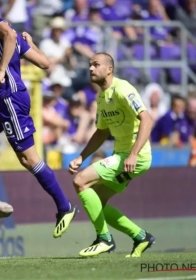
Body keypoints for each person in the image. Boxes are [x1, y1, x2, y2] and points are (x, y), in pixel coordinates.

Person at [0, 10, 77, 238]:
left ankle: (64, 207)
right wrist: (32, 44)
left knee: (28, 158)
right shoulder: (9, 39)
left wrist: (0, 70)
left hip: (9, 97)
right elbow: (44, 62)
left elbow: (8, 32)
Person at [69, 53, 155, 257]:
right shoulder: (101, 97)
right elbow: (101, 131)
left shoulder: (123, 89)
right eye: (89, 65)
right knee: (97, 200)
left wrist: (133, 154)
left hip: (134, 156)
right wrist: (82, 156)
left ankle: (104, 239)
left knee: (80, 181)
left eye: (96, 65)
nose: (90, 68)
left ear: (109, 69)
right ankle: (140, 236)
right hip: (124, 156)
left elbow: (147, 120)